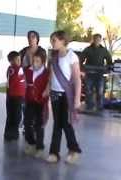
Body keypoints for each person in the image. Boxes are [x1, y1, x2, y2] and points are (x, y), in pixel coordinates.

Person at [45, 30, 82, 164]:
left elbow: (77, 79)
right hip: (55, 95)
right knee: (57, 125)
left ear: (62, 40)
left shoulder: (72, 57)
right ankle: (54, 153)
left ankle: (74, 150)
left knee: (66, 124)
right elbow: (51, 77)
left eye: (54, 40)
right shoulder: (54, 58)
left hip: (67, 96)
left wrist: (77, 98)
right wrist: (47, 90)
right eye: (51, 40)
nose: (52, 43)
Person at [23, 49, 49, 158]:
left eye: (37, 61)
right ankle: (31, 143)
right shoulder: (27, 70)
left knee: (39, 125)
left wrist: (45, 93)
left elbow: (49, 85)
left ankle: (40, 147)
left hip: (40, 102)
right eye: (34, 61)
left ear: (43, 62)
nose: (34, 63)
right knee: (27, 123)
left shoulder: (46, 73)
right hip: (29, 101)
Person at [81, 34, 113, 112]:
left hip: (100, 74)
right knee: (88, 90)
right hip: (89, 73)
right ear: (93, 39)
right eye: (95, 39)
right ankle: (89, 106)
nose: (96, 40)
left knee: (100, 91)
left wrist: (108, 67)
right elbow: (81, 59)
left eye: (98, 39)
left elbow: (109, 60)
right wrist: (82, 67)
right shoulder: (88, 49)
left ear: (100, 40)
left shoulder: (103, 50)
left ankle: (100, 107)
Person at [4, 51, 25, 141]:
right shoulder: (13, 69)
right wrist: (19, 76)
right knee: (14, 115)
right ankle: (12, 133)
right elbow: (12, 81)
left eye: (19, 59)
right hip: (14, 96)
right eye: (16, 59)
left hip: (18, 96)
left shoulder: (17, 69)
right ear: (11, 61)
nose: (19, 61)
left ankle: (10, 133)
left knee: (14, 115)